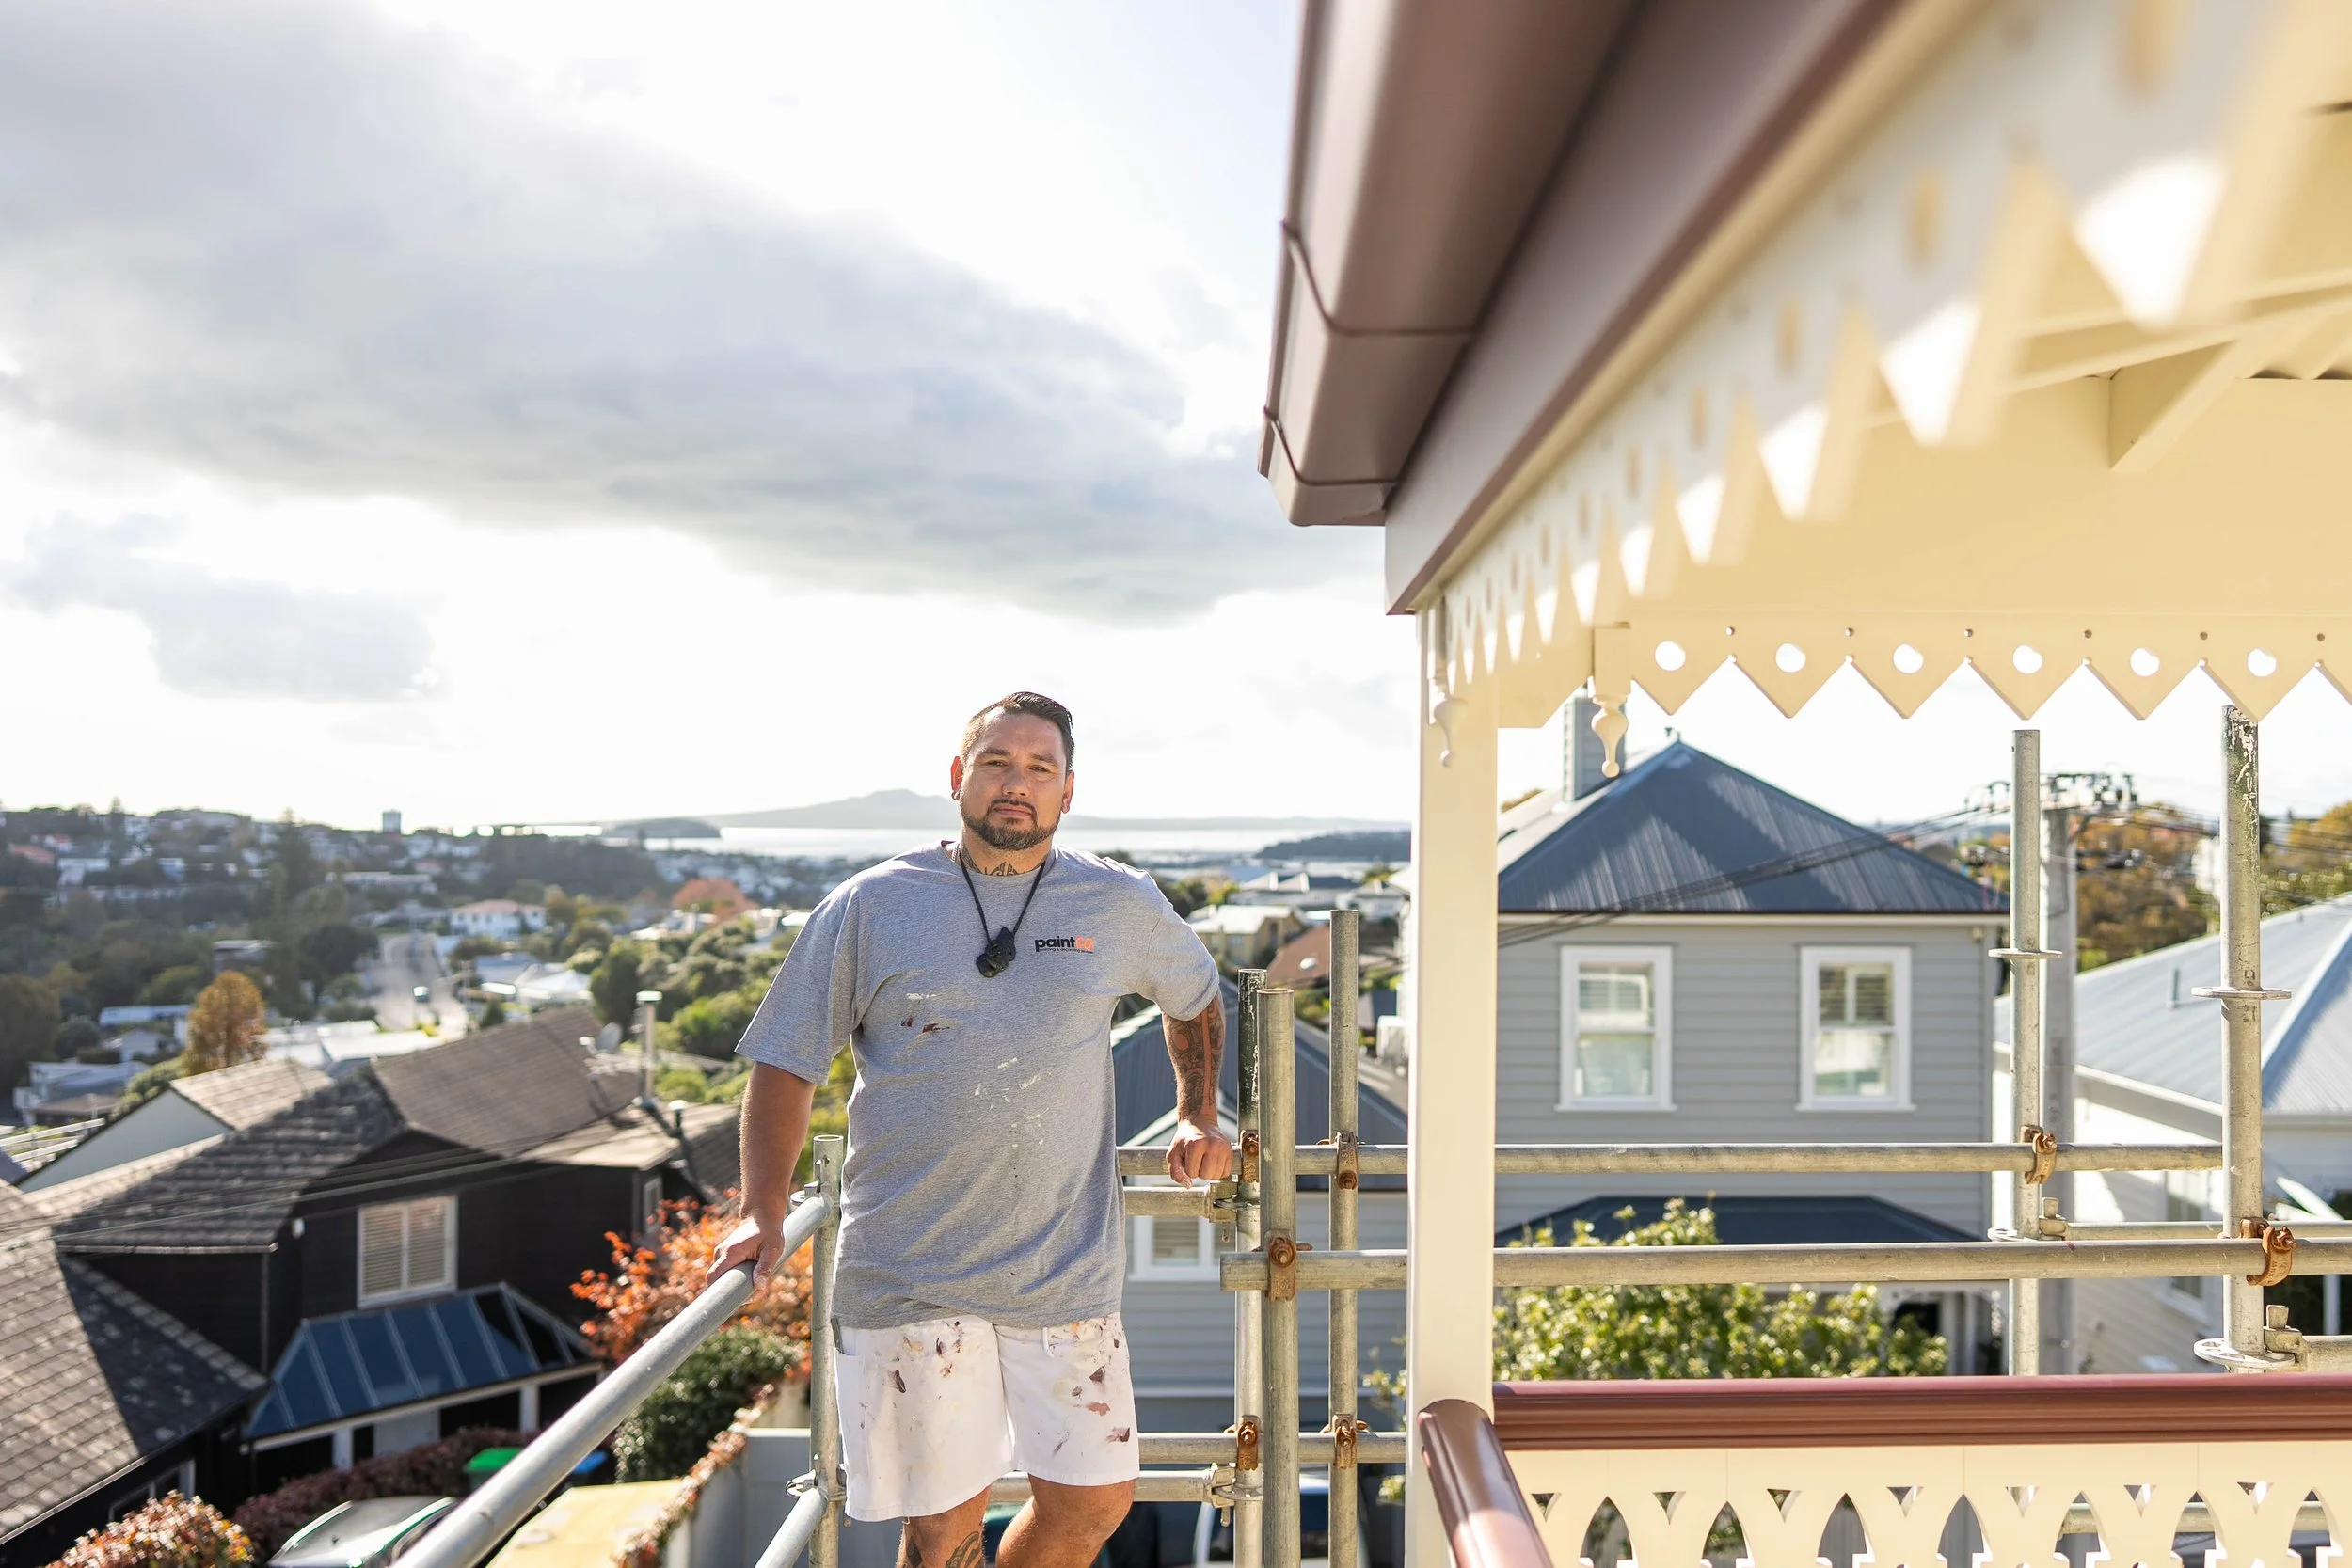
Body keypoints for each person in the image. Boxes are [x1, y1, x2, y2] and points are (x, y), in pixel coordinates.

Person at [716, 691, 1231, 1568]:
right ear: (958, 777)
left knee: (1095, 1503)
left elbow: (1196, 1000)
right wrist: (764, 1210)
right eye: (996, 763)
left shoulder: (1117, 901)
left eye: (1039, 768)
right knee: (944, 1530)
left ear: (1069, 792)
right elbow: (786, 1059)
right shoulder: (872, 905)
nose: (1015, 785)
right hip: (913, 1269)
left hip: (1063, 1272)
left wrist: (1198, 1110)